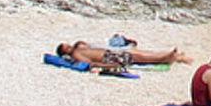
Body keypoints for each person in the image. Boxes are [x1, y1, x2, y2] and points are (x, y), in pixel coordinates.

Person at [55, 40, 189, 73]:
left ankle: (172, 55)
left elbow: (88, 45)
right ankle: (168, 57)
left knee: (139, 53)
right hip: (109, 59)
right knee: (141, 58)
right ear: (65, 52)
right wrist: (111, 66)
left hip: (110, 53)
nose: (68, 46)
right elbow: (92, 64)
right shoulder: (76, 55)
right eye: (65, 47)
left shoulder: (79, 47)